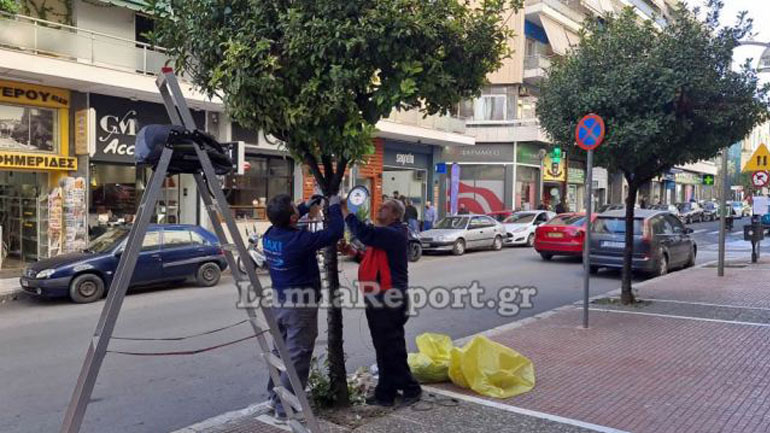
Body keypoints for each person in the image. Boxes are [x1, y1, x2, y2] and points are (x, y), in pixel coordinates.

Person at [261, 194, 344, 420]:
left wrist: (305, 207)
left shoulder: (270, 234)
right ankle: (286, 408)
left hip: (279, 300)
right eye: (295, 208)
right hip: (300, 305)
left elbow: (287, 217)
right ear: (292, 217)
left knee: (280, 351)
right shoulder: (299, 240)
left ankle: (274, 397)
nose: (297, 209)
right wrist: (334, 206)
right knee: (298, 355)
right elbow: (335, 232)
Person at [342, 198, 422, 407]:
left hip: (389, 298)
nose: (379, 208)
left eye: (385, 207)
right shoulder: (385, 236)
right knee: (384, 348)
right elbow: (369, 259)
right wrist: (351, 251)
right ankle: (385, 393)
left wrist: (345, 212)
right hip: (377, 298)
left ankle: (411, 388)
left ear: (395, 215)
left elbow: (365, 233)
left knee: (391, 348)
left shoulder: (394, 233)